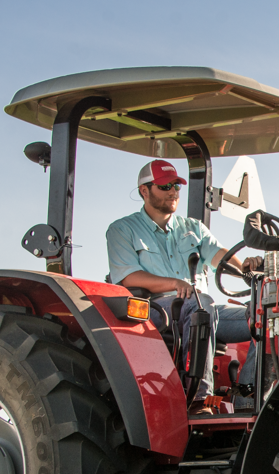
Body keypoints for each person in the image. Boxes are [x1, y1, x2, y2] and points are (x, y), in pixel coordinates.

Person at [105, 159, 256, 414]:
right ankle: (201, 400)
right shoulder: (123, 229)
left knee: (264, 319)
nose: (173, 191)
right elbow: (128, 277)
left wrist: (247, 269)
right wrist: (174, 284)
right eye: (165, 186)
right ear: (145, 190)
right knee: (201, 306)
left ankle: (247, 403)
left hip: (200, 308)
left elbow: (219, 255)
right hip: (156, 311)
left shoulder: (192, 228)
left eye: (176, 185)